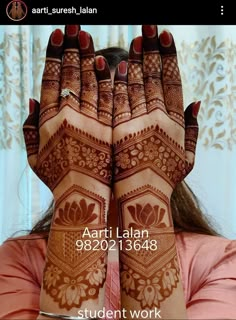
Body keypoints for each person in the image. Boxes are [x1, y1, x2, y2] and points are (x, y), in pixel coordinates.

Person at [0, 24, 236, 320]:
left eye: (129, 125)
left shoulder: (221, 259)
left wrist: (146, 188)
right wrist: (79, 189)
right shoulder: (18, 257)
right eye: (94, 120)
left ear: (167, 134)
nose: (113, 139)